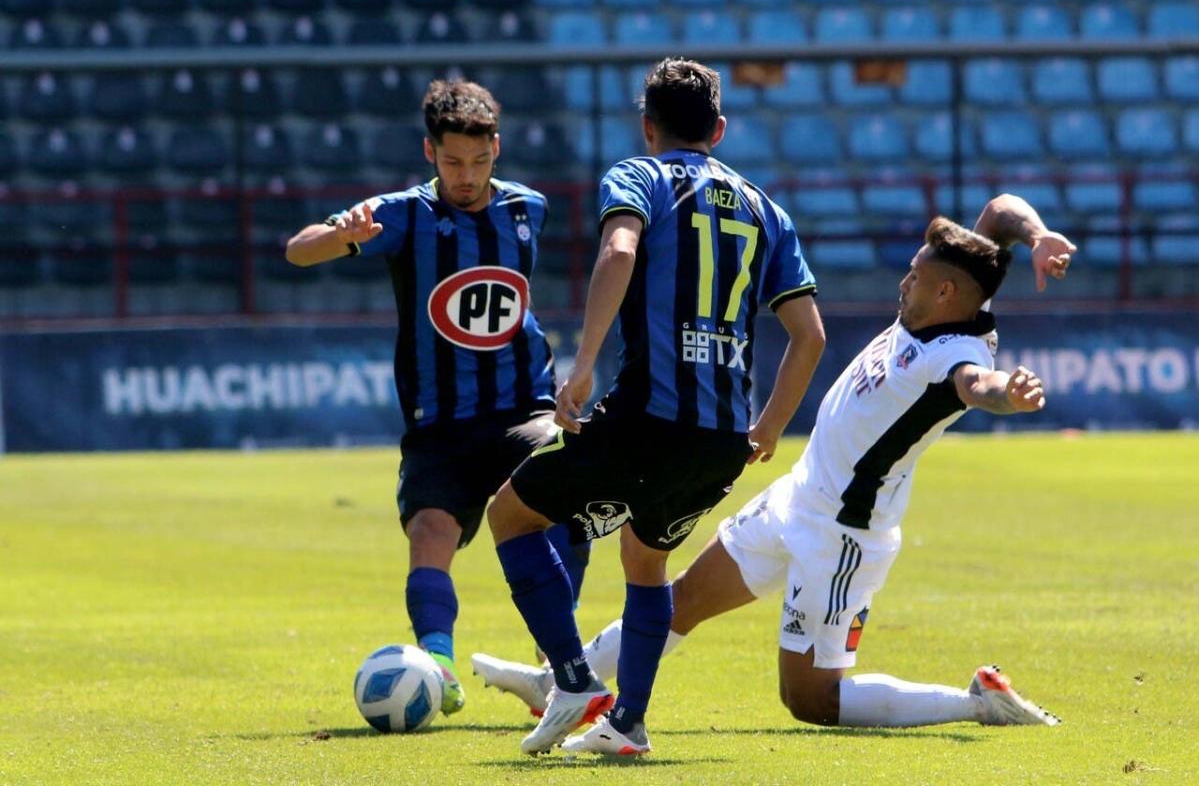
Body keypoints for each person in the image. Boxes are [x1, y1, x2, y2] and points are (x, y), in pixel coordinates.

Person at [473, 195, 1076, 741]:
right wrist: (1039, 234)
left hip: (842, 535)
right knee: (681, 600)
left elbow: (978, 385)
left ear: (945, 294)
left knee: (810, 699)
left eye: (915, 275)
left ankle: (976, 704)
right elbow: (998, 212)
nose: (904, 281)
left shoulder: (957, 353)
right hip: (797, 498)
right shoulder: (955, 297)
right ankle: (557, 681)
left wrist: (1008, 392)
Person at [484, 58, 827, 756]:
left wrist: (583, 365)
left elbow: (618, 249)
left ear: (647, 127)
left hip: (647, 416)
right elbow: (810, 335)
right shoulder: (767, 210)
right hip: (722, 436)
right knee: (646, 559)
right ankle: (628, 723)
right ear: (719, 130)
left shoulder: (639, 176)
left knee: (511, 515)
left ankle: (572, 680)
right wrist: (769, 424)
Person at [284, 79, 589, 717]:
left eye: (478, 160)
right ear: (430, 152)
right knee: (430, 531)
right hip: (441, 422)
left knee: (563, 497)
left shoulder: (528, 208)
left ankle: (555, 668)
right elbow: (298, 250)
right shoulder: (402, 214)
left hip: (523, 408)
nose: (466, 176)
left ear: (497, 148)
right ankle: (438, 670)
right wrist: (345, 235)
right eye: (452, 161)